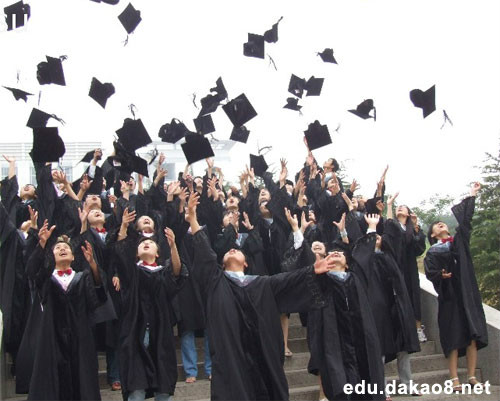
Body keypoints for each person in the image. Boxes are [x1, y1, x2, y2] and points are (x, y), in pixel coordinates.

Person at [186, 192, 334, 400]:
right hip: (229, 353)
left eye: (236, 251)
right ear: (221, 264)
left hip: (260, 353)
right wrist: (192, 218)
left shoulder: (261, 283)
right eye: (227, 252)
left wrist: (311, 271)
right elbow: (204, 252)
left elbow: (287, 280)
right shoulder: (216, 282)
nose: (231, 250)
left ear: (246, 263)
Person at [306, 213, 386, 401]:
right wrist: (297, 230)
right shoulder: (320, 283)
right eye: (331, 253)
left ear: (348, 263)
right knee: (340, 384)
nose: (335, 253)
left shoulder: (356, 278)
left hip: (360, 338)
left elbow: (365, 256)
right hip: (334, 341)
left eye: (340, 253)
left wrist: (372, 227)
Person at [25, 220, 106, 400]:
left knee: (82, 385)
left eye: (66, 248)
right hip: (52, 340)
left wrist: (93, 265)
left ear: (74, 257)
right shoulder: (46, 279)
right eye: (57, 248)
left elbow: (98, 300)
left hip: (80, 339)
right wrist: (42, 244)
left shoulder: (82, 277)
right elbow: (31, 272)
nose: (62, 249)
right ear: (51, 256)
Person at [112, 207, 187, 401]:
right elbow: (120, 252)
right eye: (142, 243)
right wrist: (123, 226)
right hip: (135, 334)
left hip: (160, 334)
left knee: (163, 387)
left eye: (150, 243)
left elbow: (177, 274)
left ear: (157, 252)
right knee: (136, 388)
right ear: (136, 253)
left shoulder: (163, 272)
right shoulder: (132, 273)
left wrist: (173, 246)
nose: (146, 243)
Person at [424, 182, 488, 392]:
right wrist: (440, 276)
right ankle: (454, 379)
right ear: (432, 234)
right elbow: (431, 273)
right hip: (449, 297)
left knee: (471, 336)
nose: (442, 224)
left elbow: (465, 222)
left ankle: (470, 376)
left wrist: (472, 195)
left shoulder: (458, 242)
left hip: (466, 295)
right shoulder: (432, 252)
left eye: (444, 223)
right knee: (452, 338)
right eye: (437, 224)